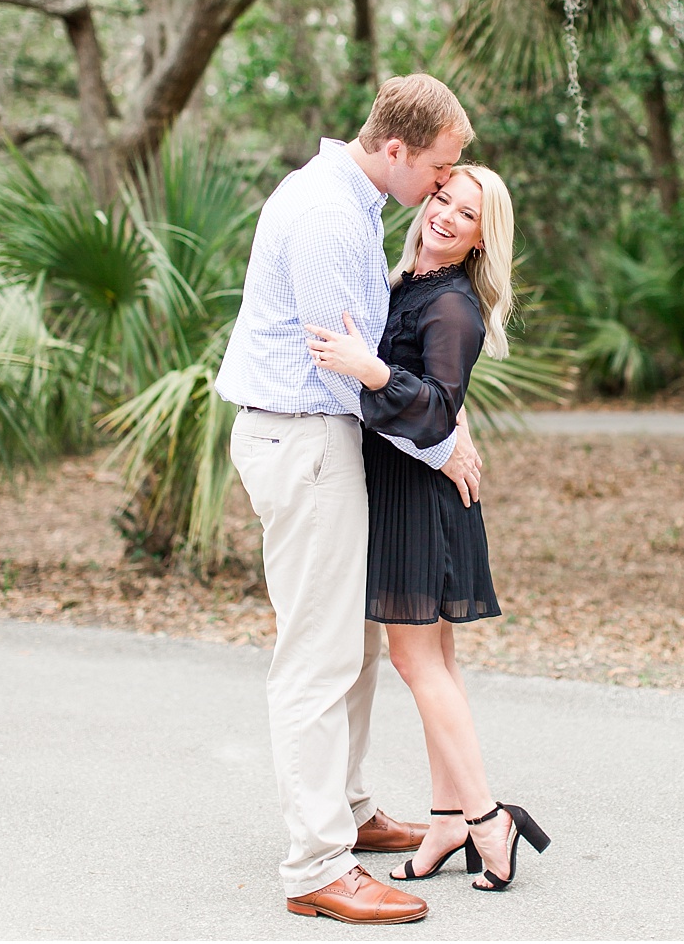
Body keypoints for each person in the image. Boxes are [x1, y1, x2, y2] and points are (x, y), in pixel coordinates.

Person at [214, 74, 486, 927]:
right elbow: (361, 367)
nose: (444, 185)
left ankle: (353, 809)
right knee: (319, 658)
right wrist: (447, 442)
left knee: (355, 646)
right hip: (305, 438)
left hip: (321, 438)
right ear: (397, 149)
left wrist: (449, 424)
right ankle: (316, 864)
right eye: (440, 167)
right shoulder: (332, 217)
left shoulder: (350, 199)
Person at [306, 165, 551, 892]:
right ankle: (448, 817)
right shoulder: (408, 280)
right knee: (435, 662)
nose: (445, 214)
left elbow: (437, 406)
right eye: (443, 197)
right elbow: (451, 406)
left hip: (420, 500)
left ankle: (486, 815)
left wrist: (370, 371)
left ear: (481, 239)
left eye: (466, 213)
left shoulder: (451, 303)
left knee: (418, 664)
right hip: (411, 489)